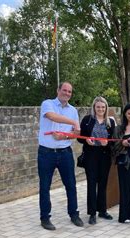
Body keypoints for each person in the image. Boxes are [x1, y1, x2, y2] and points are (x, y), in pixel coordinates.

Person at [37, 82, 83, 230]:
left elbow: (76, 134)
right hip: (46, 153)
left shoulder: (73, 110)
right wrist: (73, 122)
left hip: (65, 153)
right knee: (45, 186)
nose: (67, 93)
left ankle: (74, 214)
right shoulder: (47, 104)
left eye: (70, 92)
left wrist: (63, 137)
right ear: (58, 90)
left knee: (71, 185)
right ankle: (45, 218)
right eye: (64, 90)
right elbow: (52, 117)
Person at [78, 96, 115, 225]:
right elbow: (80, 137)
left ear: (106, 108)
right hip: (91, 155)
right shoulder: (87, 120)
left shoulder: (110, 122)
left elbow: (114, 141)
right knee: (92, 183)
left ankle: (102, 211)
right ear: (94, 107)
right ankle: (92, 213)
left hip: (105, 156)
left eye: (103, 107)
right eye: (98, 107)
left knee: (103, 183)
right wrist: (86, 140)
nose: (100, 109)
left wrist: (107, 144)